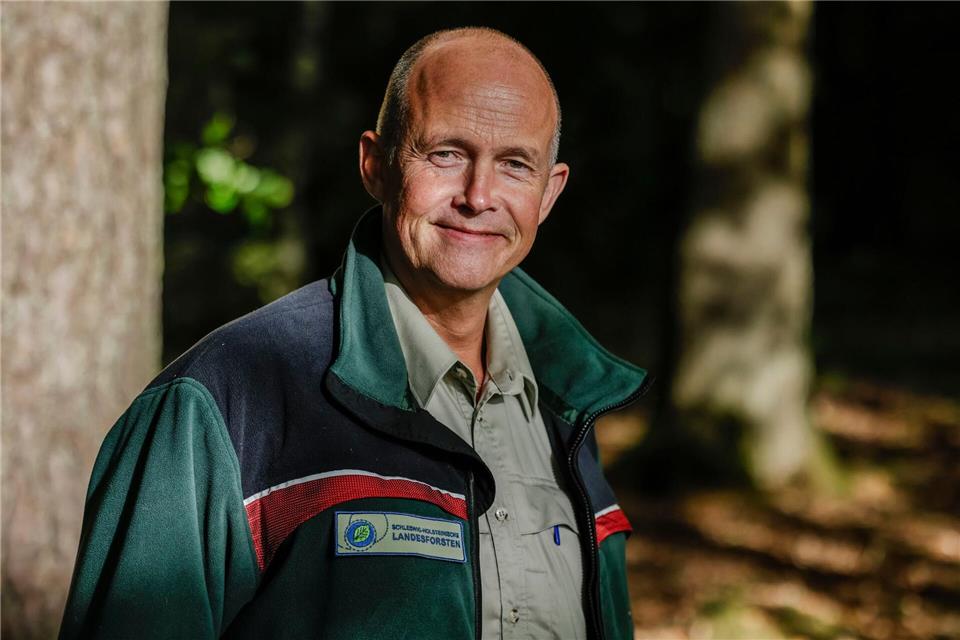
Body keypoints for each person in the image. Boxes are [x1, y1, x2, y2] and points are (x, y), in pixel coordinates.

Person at [60, 27, 649, 640]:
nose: (478, 196)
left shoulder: (569, 405)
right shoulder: (218, 403)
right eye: (446, 153)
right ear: (375, 164)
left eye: (514, 165)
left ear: (548, 193)